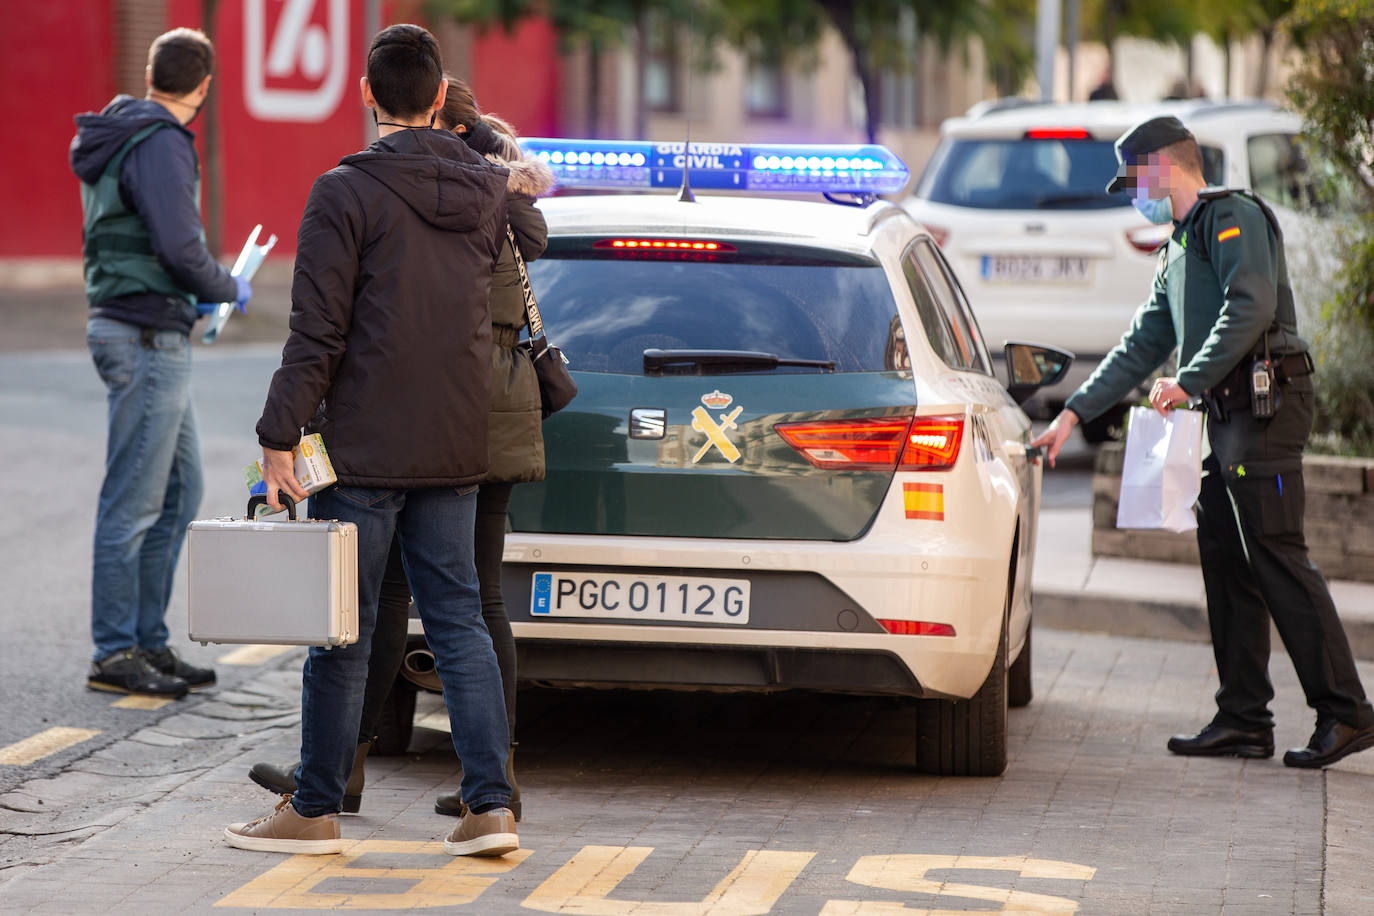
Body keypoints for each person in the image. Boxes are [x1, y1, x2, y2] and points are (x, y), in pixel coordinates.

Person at [224, 24, 517, 857]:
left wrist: (278, 435)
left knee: (341, 631)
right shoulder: (487, 192)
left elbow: (317, 331)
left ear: (364, 94)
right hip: (457, 440)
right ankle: (490, 807)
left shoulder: (342, 192)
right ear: (437, 99)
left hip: (364, 447)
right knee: (458, 619)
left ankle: (313, 810)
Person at [1032, 116, 1374, 769]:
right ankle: (1243, 718)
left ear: (1162, 166)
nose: (1133, 195)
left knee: (1276, 553)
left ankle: (1348, 712)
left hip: (1266, 409)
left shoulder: (1231, 218)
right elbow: (1140, 345)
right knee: (1225, 556)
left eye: (1134, 180)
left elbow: (1250, 305)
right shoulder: (1180, 245)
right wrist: (1073, 414)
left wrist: (1187, 382)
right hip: (1222, 419)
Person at [71, 27, 251, 699]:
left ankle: (147, 640)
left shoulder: (120, 131)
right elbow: (181, 248)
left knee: (180, 492)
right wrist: (229, 286)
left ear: (153, 75)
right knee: (134, 501)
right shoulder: (162, 142)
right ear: (202, 87)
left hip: (138, 325)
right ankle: (115, 651)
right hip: (146, 336)